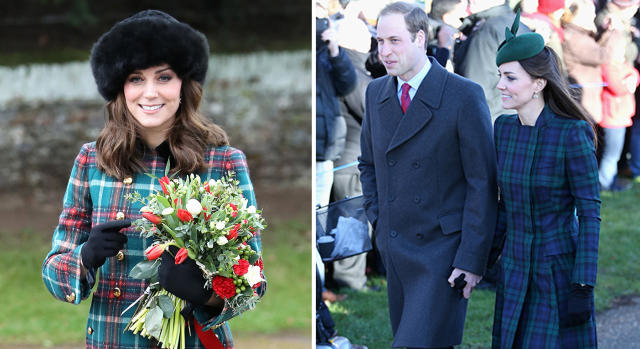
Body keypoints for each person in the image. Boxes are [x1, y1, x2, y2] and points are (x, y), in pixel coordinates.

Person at [41, 10, 264, 348]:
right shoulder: (92, 160)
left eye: (163, 77)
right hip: (112, 339)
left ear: (184, 84)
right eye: (135, 78)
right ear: (119, 86)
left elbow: (254, 281)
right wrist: (85, 257)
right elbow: (54, 274)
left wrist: (204, 293)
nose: (149, 93)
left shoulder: (223, 161)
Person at [359, 2, 498, 348]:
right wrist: (378, 216)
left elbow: (482, 183)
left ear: (420, 38)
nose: (385, 52)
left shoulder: (464, 95)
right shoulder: (376, 93)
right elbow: (368, 165)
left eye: (395, 40)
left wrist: (471, 258)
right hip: (396, 247)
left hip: (442, 253)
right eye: (380, 42)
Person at [490, 12, 600, 348]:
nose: (499, 86)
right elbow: (504, 207)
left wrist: (583, 285)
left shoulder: (572, 133)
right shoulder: (504, 130)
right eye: (500, 76)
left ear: (538, 83)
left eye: (509, 78)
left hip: (558, 274)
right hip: (514, 269)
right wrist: (478, 263)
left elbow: (590, 213)